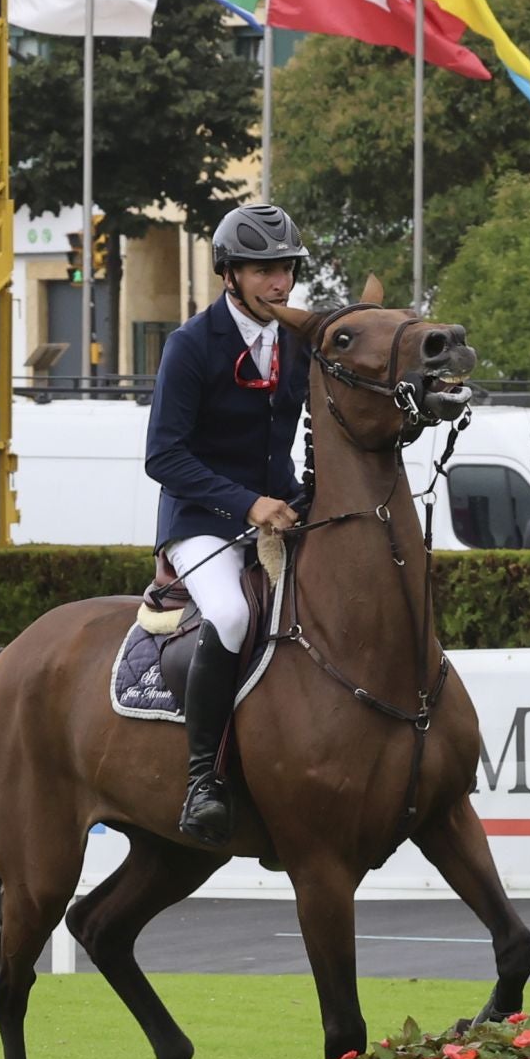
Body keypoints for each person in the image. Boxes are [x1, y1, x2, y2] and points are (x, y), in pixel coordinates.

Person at [144, 203, 310, 848]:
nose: (279, 283)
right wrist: (247, 505)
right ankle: (203, 781)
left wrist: (302, 497)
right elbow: (164, 456)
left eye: (286, 270)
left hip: (275, 507)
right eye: (264, 270)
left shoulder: (294, 340)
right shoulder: (191, 345)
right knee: (234, 616)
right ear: (230, 275)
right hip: (201, 521)